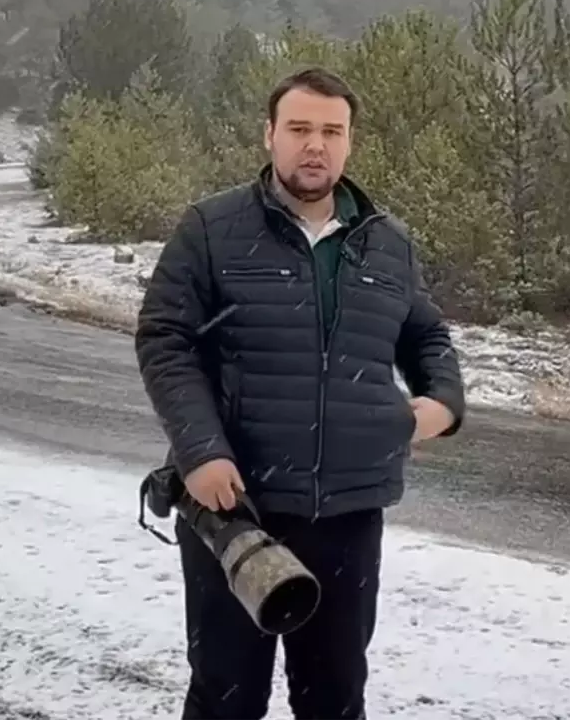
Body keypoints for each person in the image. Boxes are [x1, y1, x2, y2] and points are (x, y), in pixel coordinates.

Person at [134, 66, 466, 720]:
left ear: (350, 142)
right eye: (299, 129)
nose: (315, 145)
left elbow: (426, 335)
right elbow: (165, 340)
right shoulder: (212, 228)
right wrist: (200, 453)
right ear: (270, 135)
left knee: (335, 700)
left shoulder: (388, 243)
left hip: (349, 515)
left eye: (331, 132)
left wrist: (444, 403)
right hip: (235, 507)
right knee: (227, 700)